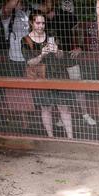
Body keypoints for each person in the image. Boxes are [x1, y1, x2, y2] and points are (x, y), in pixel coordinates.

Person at [21, 10, 74, 139]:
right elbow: (29, 62)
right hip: (41, 78)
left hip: (58, 75)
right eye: (38, 23)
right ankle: (50, 137)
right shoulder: (26, 40)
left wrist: (57, 51)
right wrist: (42, 55)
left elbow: (62, 55)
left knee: (64, 107)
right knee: (46, 108)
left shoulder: (52, 36)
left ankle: (71, 138)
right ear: (31, 23)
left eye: (43, 23)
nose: (41, 26)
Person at [46, 0, 97, 127]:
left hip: (70, 56)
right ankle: (63, 116)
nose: (68, 6)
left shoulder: (72, 18)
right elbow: (50, 37)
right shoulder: (51, 19)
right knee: (61, 87)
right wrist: (56, 49)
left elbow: (79, 32)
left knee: (78, 86)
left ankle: (85, 114)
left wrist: (80, 47)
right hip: (57, 58)